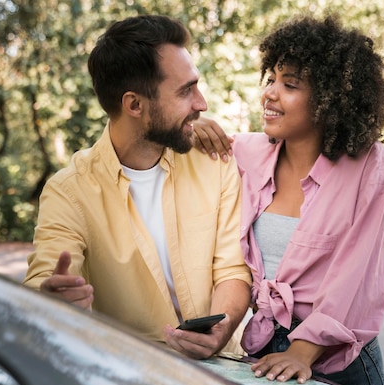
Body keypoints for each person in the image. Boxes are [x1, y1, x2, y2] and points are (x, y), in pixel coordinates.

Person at [194, 15, 384, 385]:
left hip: (339, 360)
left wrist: (305, 349)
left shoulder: (369, 164)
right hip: (264, 351)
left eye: (290, 85)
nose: (270, 93)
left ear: (330, 98)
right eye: (271, 79)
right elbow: (180, 151)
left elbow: (358, 273)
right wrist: (193, 128)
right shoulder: (246, 152)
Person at [24, 15, 251, 360]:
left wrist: (221, 331)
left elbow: (232, 270)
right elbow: (46, 275)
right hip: (134, 378)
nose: (202, 103)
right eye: (186, 90)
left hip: (223, 373)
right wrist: (51, 301)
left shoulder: (213, 160)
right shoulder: (68, 191)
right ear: (134, 105)